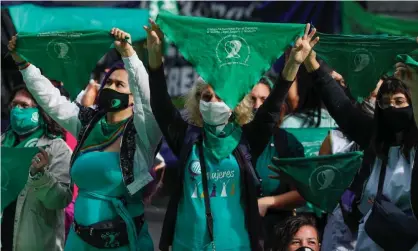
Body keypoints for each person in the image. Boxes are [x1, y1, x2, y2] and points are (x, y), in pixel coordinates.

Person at [144, 19, 318, 251]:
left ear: (235, 104)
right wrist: (155, 60)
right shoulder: (187, 138)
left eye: (221, 97)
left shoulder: (246, 140)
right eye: (206, 97)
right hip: (188, 244)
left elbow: (272, 107)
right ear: (197, 103)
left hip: (237, 245)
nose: (213, 102)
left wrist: (293, 65)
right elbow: (161, 105)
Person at [8, 27, 162, 251]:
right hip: (79, 241)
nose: (110, 87)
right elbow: (51, 101)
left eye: (119, 85)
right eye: (108, 82)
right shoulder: (88, 124)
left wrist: (129, 54)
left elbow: (147, 99)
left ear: (132, 98)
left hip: (123, 243)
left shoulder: (143, 133)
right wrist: (24, 64)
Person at [303, 45, 418, 250]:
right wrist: (311, 63)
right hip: (372, 236)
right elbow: (341, 107)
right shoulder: (373, 135)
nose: (391, 107)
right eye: (384, 102)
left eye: (399, 101)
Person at [1, 86, 72, 251]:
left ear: (41, 111)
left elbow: (60, 200)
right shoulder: (3, 143)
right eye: (14, 105)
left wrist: (41, 176)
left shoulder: (56, 148)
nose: (17, 110)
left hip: (35, 241)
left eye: (24, 106)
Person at [250, 77, 307, 250]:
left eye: (264, 100)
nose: (257, 106)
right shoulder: (234, 140)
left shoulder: (288, 143)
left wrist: (267, 202)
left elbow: (303, 194)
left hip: (278, 234)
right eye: (252, 99)